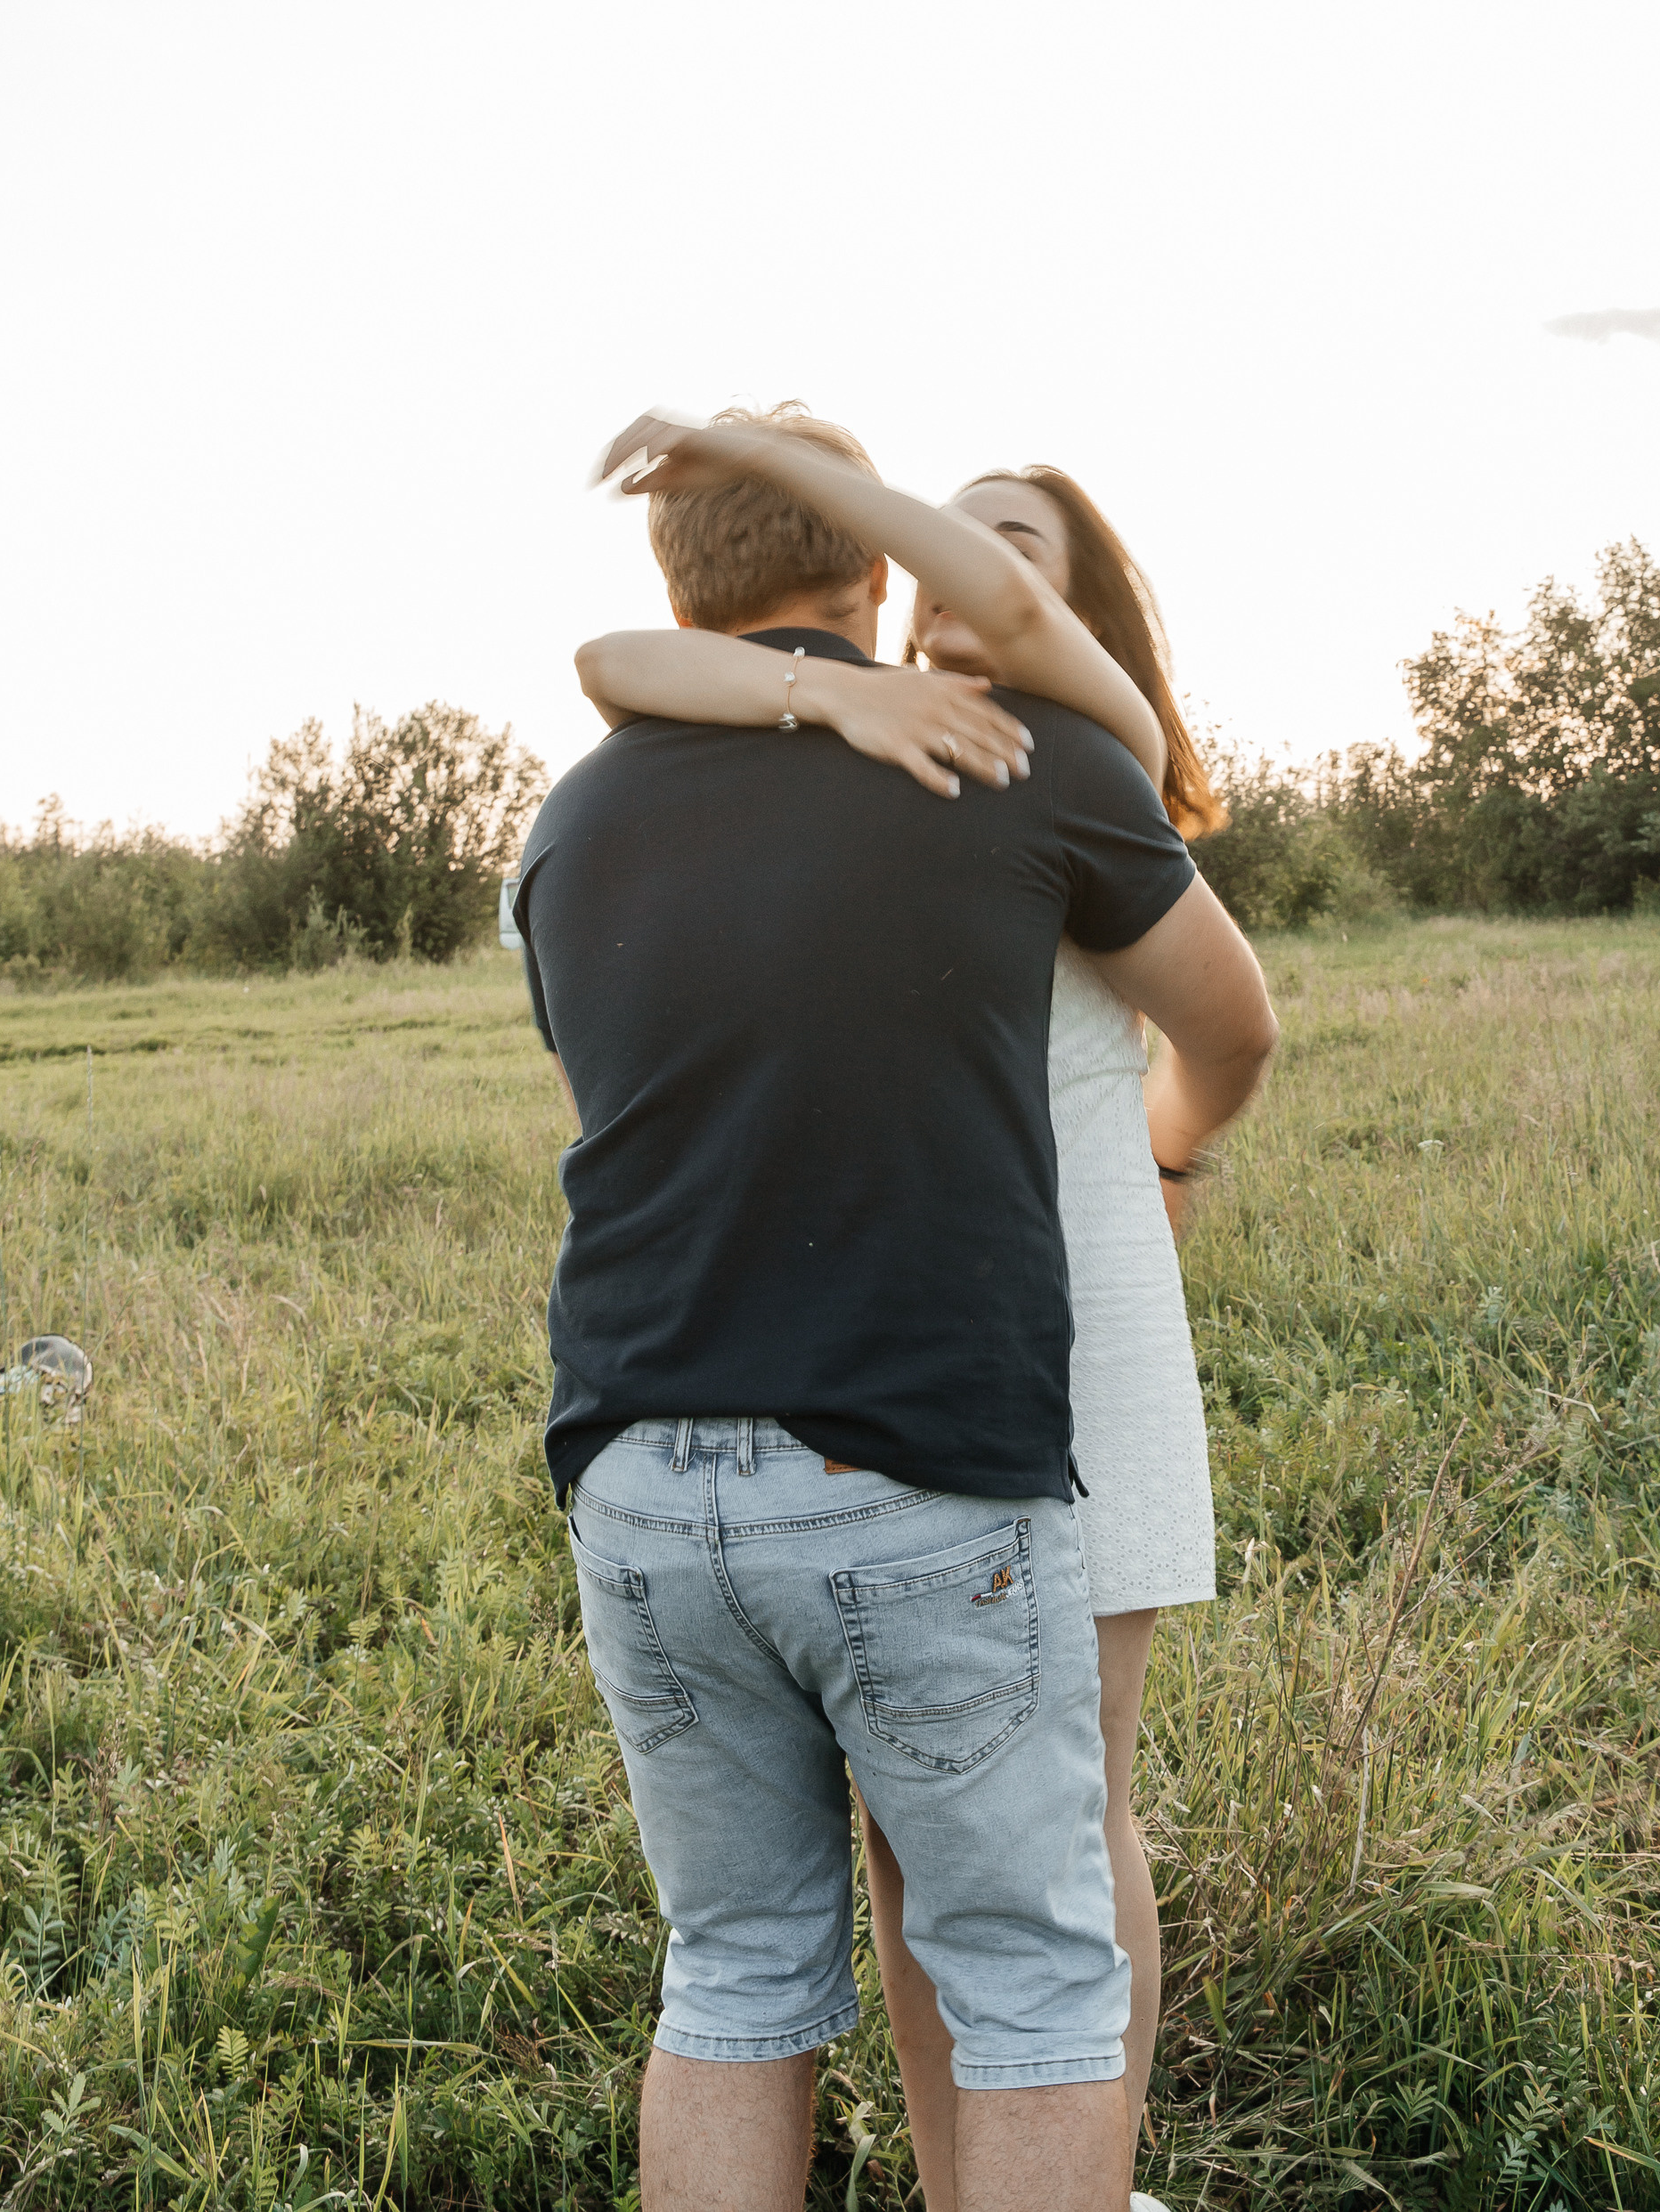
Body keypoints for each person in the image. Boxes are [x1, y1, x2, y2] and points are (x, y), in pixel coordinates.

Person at [519, 405, 1277, 2212]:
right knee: (1029, 1986)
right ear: (876, 568)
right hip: (915, 1462)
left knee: (731, 1976)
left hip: (633, 1468)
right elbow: (1228, 1019)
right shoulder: (1013, 758)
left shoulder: (572, 816)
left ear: (675, 572)